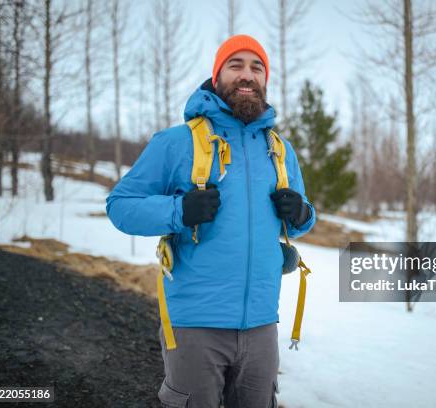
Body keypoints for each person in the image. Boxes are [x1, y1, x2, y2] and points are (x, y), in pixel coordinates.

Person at [105, 34, 316, 408]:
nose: (247, 75)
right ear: (217, 77)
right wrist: (178, 211)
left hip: (263, 324)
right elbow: (121, 205)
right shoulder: (175, 143)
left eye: (257, 67)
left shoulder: (280, 150)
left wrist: (302, 214)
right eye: (235, 65)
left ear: (265, 80)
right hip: (195, 323)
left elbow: (299, 222)